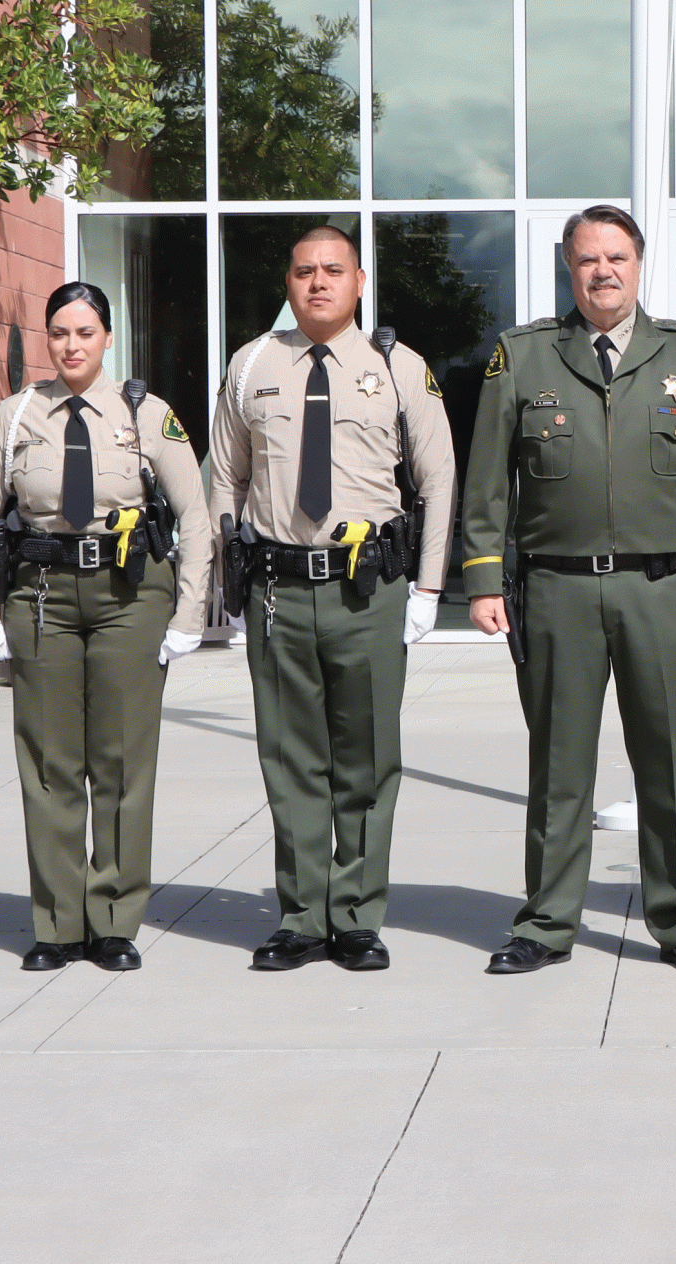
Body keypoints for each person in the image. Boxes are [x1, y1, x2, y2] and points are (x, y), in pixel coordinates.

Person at [459, 204, 676, 975]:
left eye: (616, 257)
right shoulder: (522, 359)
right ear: (570, 267)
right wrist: (484, 577)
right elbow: (487, 483)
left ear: (639, 262)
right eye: (588, 259)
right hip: (556, 591)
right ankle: (547, 923)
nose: (603, 271)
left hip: (665, 591)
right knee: (558, 766)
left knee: (666, 762)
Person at [210, 226, 456, 973]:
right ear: (287, 282)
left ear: (358, 281)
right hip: (279, 589)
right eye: (304, 272)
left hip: (367, 589)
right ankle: (301, 915)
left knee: (367, 758)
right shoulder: (252, 364)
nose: (318, 283)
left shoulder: (398, 367)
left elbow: (440, 478)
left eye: (333, 271)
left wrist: (431, 588)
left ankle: (355, 914)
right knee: (290, 758)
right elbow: (225, 478)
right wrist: (226, 584)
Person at [0, 282, 212, 973]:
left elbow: (194, 515)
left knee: (122, 761)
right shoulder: (13, 418)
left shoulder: (147, 415)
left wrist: (189, 613)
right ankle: (58, 922)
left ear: (106, 338)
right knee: (48, 762)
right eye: (60, 333)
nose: (72, 346)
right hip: (42, 596)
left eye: (85, 332)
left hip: (130, 594)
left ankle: (115, 920)